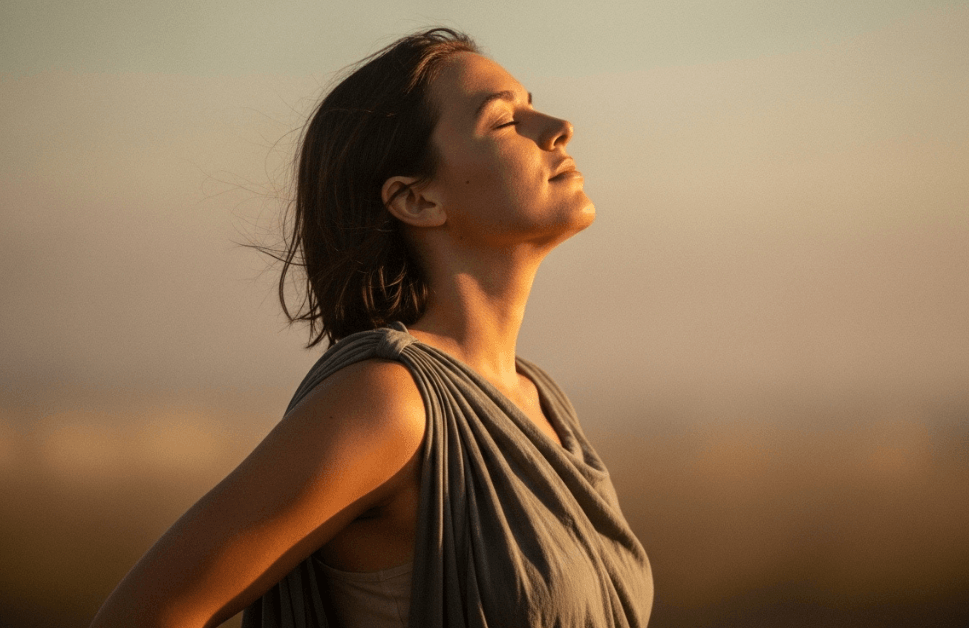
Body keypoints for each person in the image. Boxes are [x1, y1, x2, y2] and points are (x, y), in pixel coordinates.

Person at [90, 28, 652, 628]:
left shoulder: (542, 399)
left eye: (532, 104)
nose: (558, 126)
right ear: (416, 200)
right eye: (503, 121)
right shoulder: (391, 404)